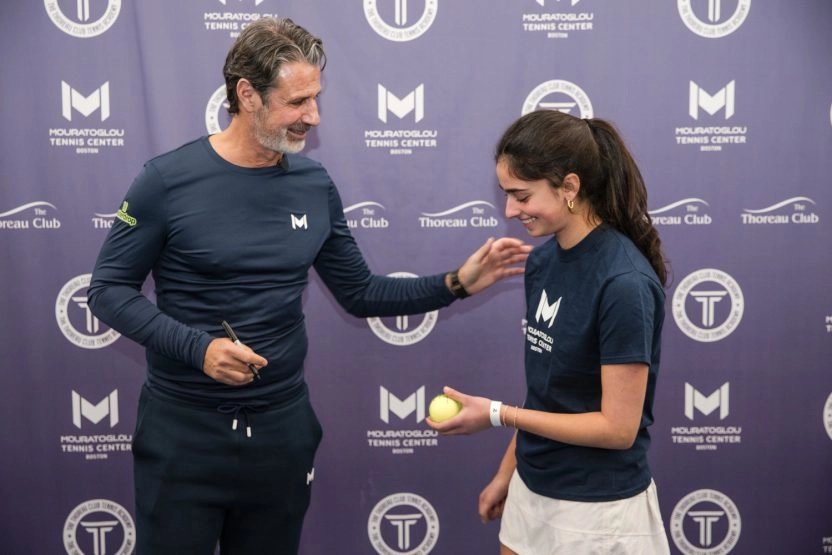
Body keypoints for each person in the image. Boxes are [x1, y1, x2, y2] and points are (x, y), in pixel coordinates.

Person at [87, 17, 530, 555]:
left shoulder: (312, 183)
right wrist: (199, 349)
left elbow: (360, 292)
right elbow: (107, 291)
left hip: (281, 434)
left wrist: (457, 283)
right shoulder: (165, 181)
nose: (313, 117)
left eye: (316, 99)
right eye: (298, 102)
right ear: (247, 94)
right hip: (184, 437)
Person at [427, 110, 671, 554]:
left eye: (521, 196)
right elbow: (548, 394)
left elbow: (617, 428)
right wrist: (508, 473)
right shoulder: (542, 262)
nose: (509, 210)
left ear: (570, 187)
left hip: (598, 511)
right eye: (506, 195)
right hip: (531, 489)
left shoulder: (625, 283)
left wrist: (497, 414)